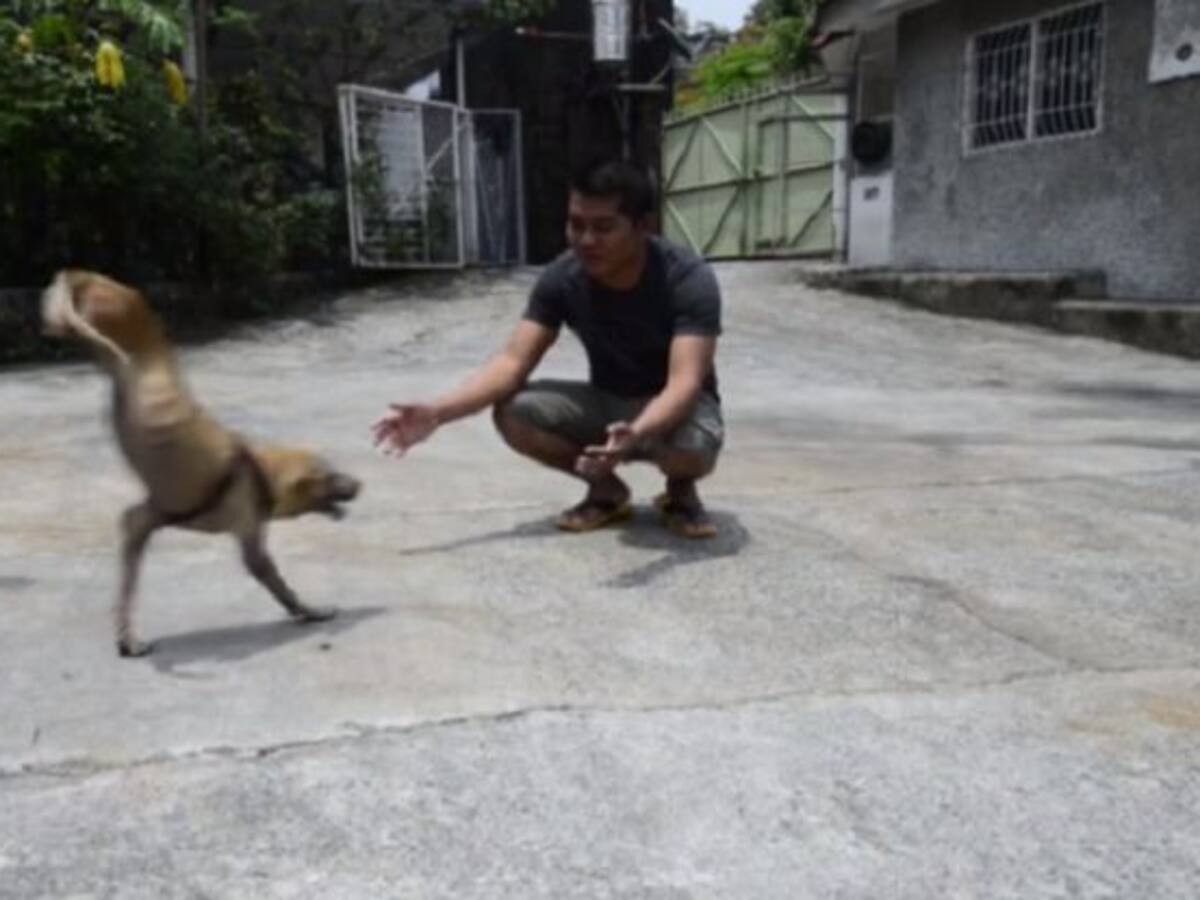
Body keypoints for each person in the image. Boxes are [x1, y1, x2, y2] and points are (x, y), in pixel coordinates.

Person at [372, 158, 725, 538]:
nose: (586, 240)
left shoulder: (685, 278)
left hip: (674, 408)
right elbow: (511, 363)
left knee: (693, 449)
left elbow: (684, 383)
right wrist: (438, 413)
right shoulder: (563, 278)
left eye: (603, 227)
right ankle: (605, 489)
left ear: (643, 226)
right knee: (514, 411)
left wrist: (637, 432)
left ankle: (680, 490)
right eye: (576, 224)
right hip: (607, 401)